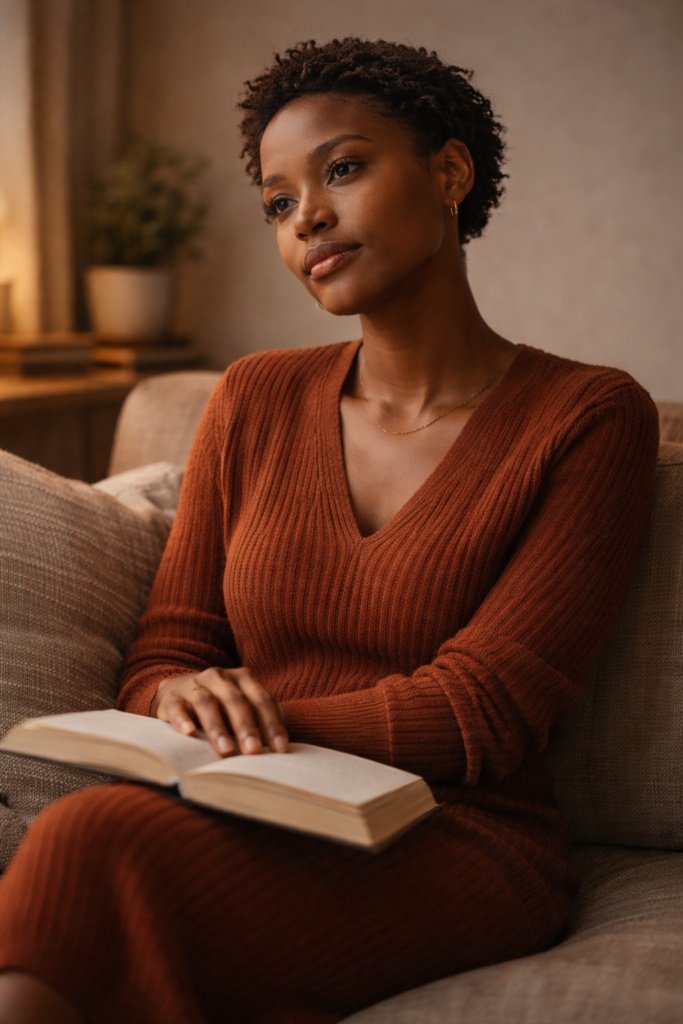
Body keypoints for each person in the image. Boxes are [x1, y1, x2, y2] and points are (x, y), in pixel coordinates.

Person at [0, 38, 658, 1024]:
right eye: (276, 200)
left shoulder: (588, 416)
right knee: (85, 838)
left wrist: (249, 716)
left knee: (92, 844)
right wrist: (182, 690)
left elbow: (488, 710)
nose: (305, 212)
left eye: (341, 169)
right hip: (248, 805)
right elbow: (167, 650)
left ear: (447, 172)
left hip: (454, 832)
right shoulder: (252, 396)